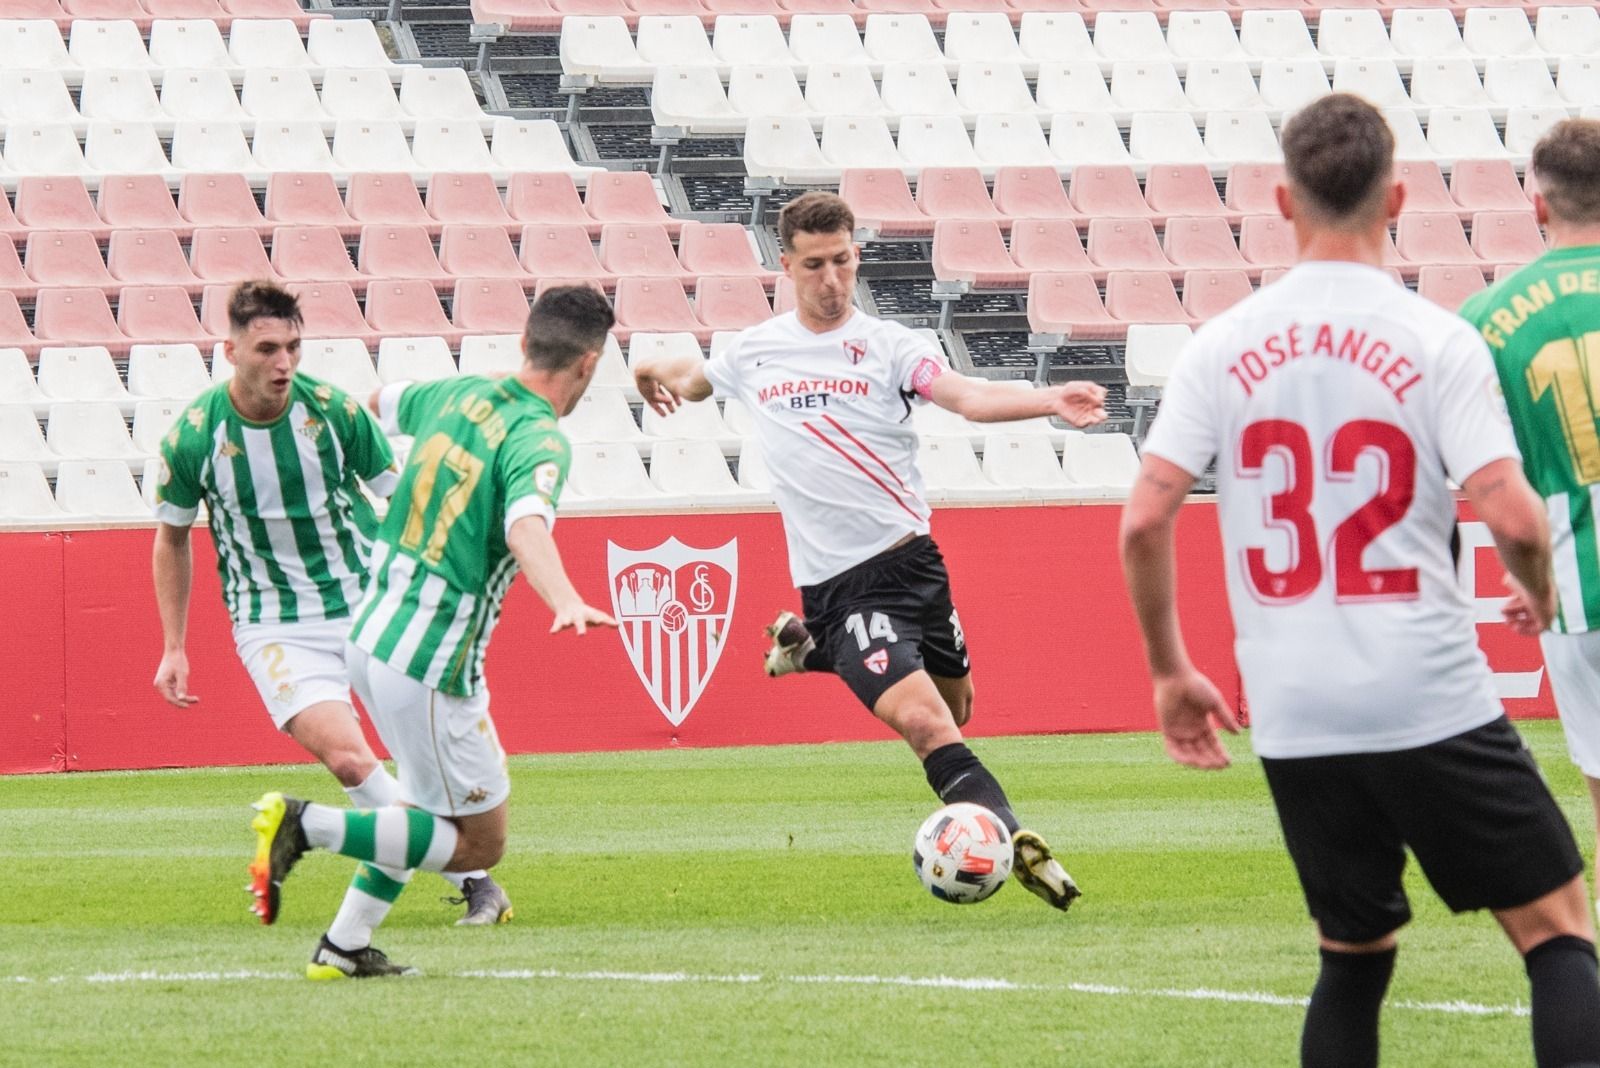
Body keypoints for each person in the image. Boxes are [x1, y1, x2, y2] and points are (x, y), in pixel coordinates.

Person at [1120, 93, 1600, 1068]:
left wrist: (1170, 671)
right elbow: (1509, 515)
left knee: (1352, 956)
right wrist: (1540, 587)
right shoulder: (1434, 338)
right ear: (1397, 196)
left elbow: (1143, 517)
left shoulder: (1218, 346)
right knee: (1555, 932)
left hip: (1295, 709)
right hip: (1426, 690)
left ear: (1278, 199)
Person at [632, 191, 1106, 912]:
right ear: (786, 266)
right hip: (842, 585)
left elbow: (967, 397)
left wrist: (1049, 401)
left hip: (915, 563)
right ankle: (1009, 840)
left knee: (959, 710)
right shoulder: (756, 349)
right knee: (926, 725)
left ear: (857, 258)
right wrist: (650, 370)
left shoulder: (891, 346)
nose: (831, 279)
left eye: (843, 262)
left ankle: (813, 649)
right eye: (815, 265)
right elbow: (695, 380)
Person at [245, 285, 618, 979]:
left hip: (372, 632)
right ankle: (307, 825)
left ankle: (343, 947)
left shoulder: (460, 393)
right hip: (432, 659)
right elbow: (525, 523)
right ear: (590, 365)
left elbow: (373, 405)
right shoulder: (540, 439)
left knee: (414, 812)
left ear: (523, 343)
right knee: (479, 844)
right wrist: (564, 595)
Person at [151, 280, 512, 933]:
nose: (283, 362)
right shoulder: (193, 437)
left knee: (423, 767)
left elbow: (403, 496)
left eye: (292, 346)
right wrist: (174, 646)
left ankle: (392, 909)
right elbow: (172, 540)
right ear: (230, 350)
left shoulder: (336, 413)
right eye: (266, 349)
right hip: (273, 622)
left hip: (370, 602)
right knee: (349, 761)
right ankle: (474, 881)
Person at [1460, 118, 1600, 925]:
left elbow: (1490, 472)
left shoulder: (1488, 316)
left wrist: (1531, 579)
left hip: (1579, 592)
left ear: (1538, 205)